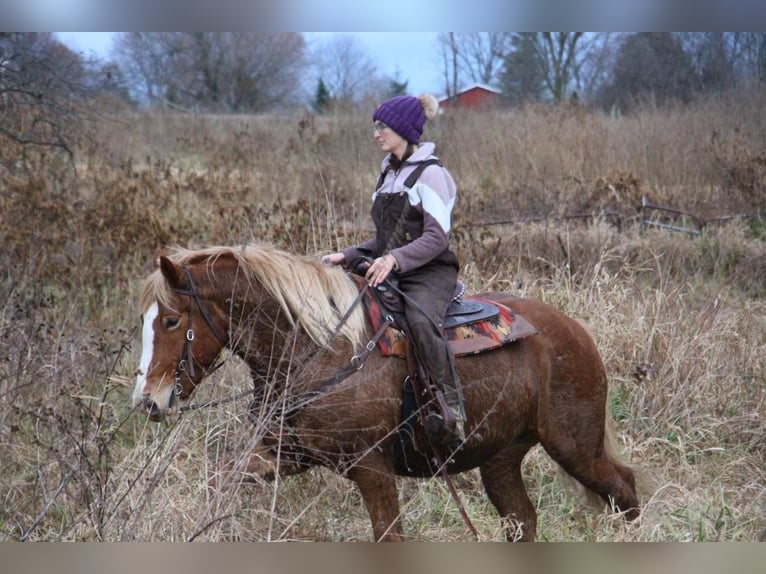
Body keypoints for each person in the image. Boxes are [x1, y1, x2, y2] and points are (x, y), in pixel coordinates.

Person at [322, 93, 465, 447]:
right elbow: (386, 237)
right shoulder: (388, 171)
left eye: (382, 126)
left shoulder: (433, 175)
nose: (376, 133)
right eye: (375, 126)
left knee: (419, 320)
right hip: (392, 267)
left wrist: (394, 260)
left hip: (429, 273)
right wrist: (349, 254)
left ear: (403, 129)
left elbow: (436, 238)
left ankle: (451, 408)